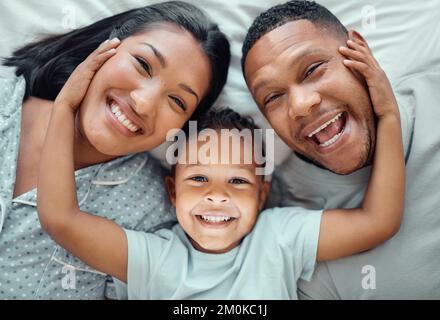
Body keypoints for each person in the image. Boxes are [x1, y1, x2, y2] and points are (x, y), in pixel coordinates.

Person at [36, 35, 404, 299]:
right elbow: (60, 219)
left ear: (263, 194)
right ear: (173, 191)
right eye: (198, 178)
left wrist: (387, 114)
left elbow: (378, 222)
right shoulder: (151, 258)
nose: (217, 196)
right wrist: (65, 108)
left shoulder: (279, 239)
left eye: (238, 181)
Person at [0, 1, 230, 299]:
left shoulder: (152, 217)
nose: (143, 103)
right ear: (104, 48)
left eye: (177, 102)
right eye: (143, 64)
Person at [241, 0, 440, 298]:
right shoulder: (298, 236)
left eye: (312, 70)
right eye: (273, 97)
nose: (300, 105)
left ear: (358, 48)